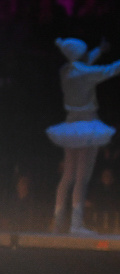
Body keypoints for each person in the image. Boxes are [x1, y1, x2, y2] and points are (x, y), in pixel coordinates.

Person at [47, 37, 120, 234]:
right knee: (82, 176)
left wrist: (99, 50)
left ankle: (57, 221)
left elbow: (82, 61)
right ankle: (76, 225)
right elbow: (111, 69)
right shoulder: (86, 73)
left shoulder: (65, 71)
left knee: (68, 175)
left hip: (71, 126)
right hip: (87, 126)